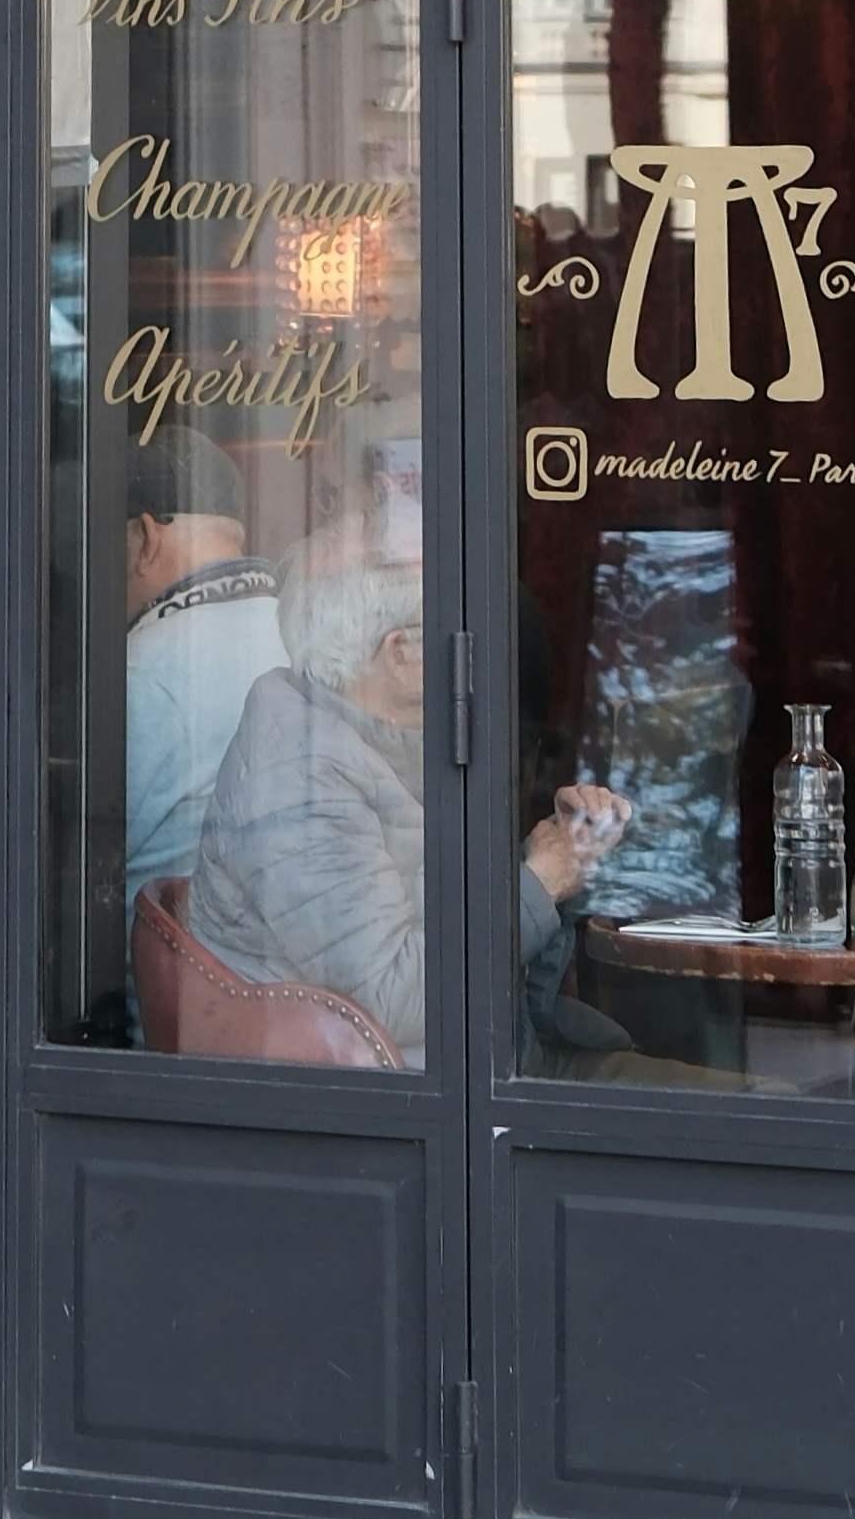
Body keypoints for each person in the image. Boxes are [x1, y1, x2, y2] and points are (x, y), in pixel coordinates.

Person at [185, 536, 622, 1059]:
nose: (466, 647)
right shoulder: (302, 783)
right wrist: (539, 884)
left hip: (470, 1066)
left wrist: (547, 853)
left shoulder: (362, 736)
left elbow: (429, 911)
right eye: (447, 625)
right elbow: (394, 997)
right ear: (400, 652)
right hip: (399, 1102)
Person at [119, 435, 285, 920]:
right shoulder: (302, 636)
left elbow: (26, 865)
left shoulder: (144, 672)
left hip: (150, 991)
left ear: (148, 539)